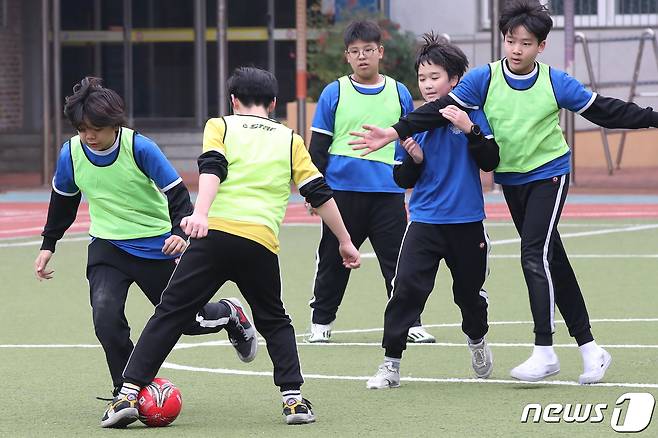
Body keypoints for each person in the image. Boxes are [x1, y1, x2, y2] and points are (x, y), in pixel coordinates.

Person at [351, 0, 658, 384]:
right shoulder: (485, 78)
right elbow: (441, 108)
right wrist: (394, 133)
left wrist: (653, 118)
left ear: (540, 46)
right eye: (511, 41)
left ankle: (544, 350)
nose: (516, 49)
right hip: (512, 181)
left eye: (526, 43)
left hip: (549, 174)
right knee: (553, 261)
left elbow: (604, 110)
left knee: (534, 255)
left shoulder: (554, 82)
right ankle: (591, 349)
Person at [100, 67, 361, 428]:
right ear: (273, 103)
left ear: (233, 101)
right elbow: (317, 192)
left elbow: (213, 167)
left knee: (170, 313)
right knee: (275, 320)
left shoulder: (220, 125)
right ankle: (294, 402)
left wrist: (201, 214)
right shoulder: (290, 139)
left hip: (213, 238)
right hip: (259, 243)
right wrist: (346, 242)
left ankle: (127, 395)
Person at [34, 77, 253, 400]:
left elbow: (177, 196)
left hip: (156, 246)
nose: (88, 136)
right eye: (82, 129)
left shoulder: (140, 147)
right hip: (107, 247)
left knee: (189, 322)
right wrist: (48, 244)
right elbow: (63, 201)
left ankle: (229, 312)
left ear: (114, 123)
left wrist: (180, 233)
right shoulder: (71, 153)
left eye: (95, 128)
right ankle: (126, 392)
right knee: (106, 320)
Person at [366, 33, 500, 389]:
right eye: (422, 78)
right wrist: (415, 160)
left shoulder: (472, 115)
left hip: (467, 223)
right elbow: (401, 179)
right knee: (405, 290)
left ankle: (477, 340)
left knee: (468, 296)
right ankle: (390, 364)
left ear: (455, 80)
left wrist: (469, 129)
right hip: (424, 222)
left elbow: (490, 161)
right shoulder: (412, 122)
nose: (426, 85)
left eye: (434, 77)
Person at [307, 20, 434, 344]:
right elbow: (318, 146)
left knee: (399, 262)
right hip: (341, 193)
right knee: (333, 259)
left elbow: (408, 142)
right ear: (347, 57)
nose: (362, 56)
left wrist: (410, 177)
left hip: (388, 193)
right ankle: (321, 322)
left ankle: (411, 321)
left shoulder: (399, 92)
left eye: (368, 50)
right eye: (354, 51)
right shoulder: (334, 92)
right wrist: (314, 193)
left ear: (380, 52)